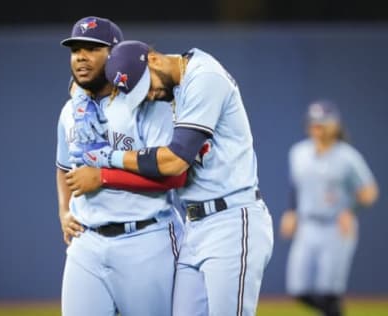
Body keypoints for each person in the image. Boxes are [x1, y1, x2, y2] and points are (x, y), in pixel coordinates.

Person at [68, 40, 274, 316]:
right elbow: (105, 70)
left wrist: (109, 159)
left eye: (148, 86)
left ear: (153, 59)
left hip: (233, 218)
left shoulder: (204, 77)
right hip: (195, 225)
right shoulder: (173, 86)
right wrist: (80, 92)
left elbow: (175, 161)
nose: (150, 95)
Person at [56, 18, 184, 316]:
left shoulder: (146, 102)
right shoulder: (70, 111)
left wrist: (103, 177)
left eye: (92, 49)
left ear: (114, 55)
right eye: (76, 50)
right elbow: (63, 166)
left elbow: (171, 173)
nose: (81, 57)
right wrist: (64, 211)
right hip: (86, 243)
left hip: (145, 238)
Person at [279, 100, 379, 316]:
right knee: (298, 289)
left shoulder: (348, 156)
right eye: (314, 122)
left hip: (336, 228)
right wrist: (291, 213)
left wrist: (350, 211)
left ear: (334, 125)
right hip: (307, 226)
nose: (317, 127)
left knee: (329, 292)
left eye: (322, 123)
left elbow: (369, 191)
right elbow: (296, 186)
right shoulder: (298, 153)